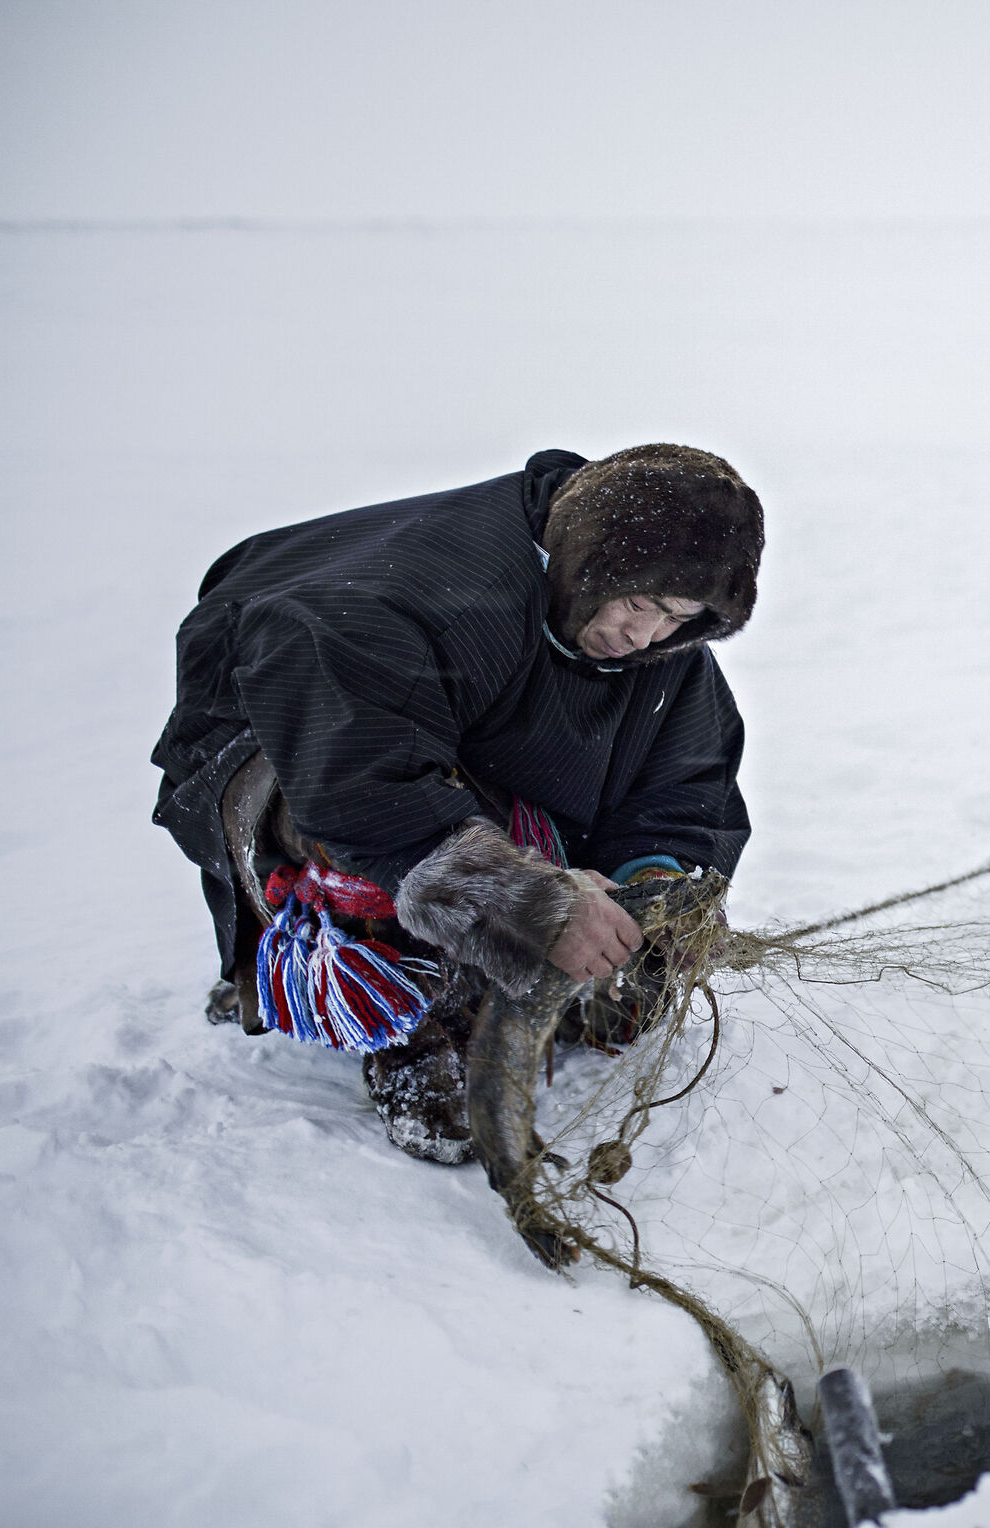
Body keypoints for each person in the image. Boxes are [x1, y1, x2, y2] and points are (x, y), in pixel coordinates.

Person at [152, 444, 762, 1161]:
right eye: (637, 604)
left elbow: (687, 782)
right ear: (591, 560)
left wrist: (656, 891)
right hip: (283, 739)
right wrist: (535, 904)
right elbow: (363, 787)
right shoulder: (435, 596)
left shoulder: (661, 647)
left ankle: (503, 970)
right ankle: (409, 1017)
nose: (646, 635)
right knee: (359, 824)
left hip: (448, 742)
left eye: (678, 616)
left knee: (624, 973)